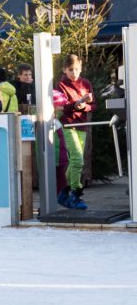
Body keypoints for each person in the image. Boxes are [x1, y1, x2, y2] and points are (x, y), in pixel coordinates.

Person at [56, 54, 96, 209]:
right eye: (71, 69)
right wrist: (75, 105)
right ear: (64, 70)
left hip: (82, 125)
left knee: (75, 162)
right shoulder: (61, 85)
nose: (74, 73)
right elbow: (60, 107)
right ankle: (76, 194)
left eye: (77, 69)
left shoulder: (85, 83)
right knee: (78, 160)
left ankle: (63, 192)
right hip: (68, 125)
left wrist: (84, 106)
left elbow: (93, 105)